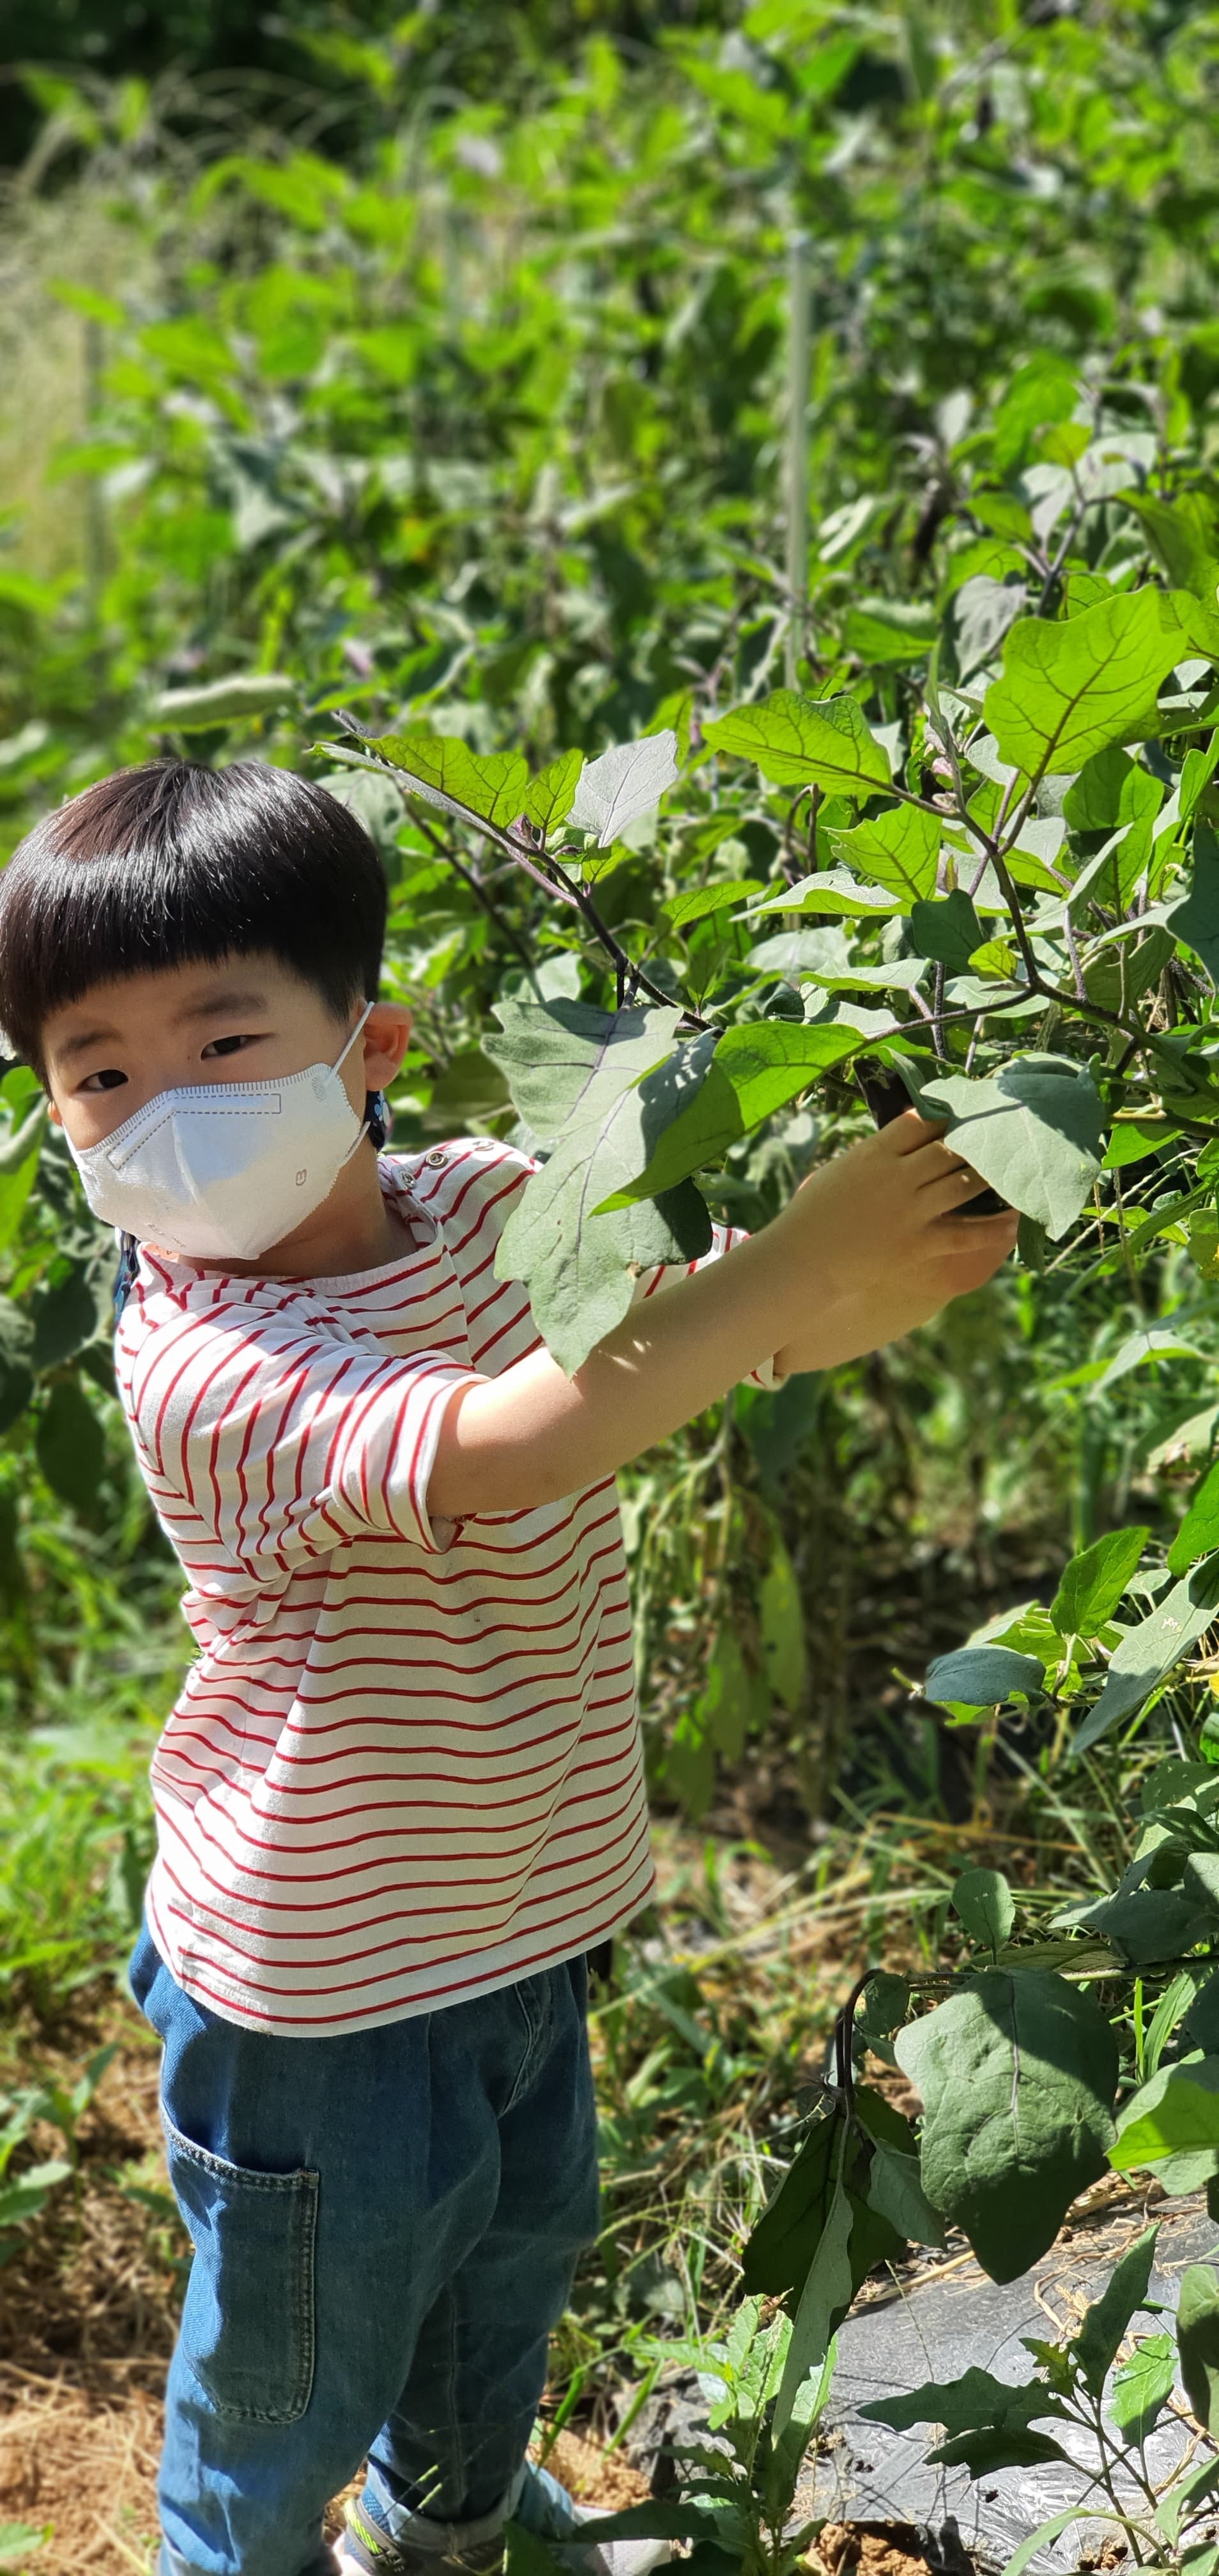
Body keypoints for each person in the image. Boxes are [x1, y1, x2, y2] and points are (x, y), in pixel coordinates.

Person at [0, 758, 1018, 2576]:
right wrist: (807, 1252)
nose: (167, 1111)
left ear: (370, 1046)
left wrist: (920, 1245)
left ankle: (452, 2535)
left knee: (504, 2273)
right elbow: (515, 1447)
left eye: (221, 1042)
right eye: (103, 1075)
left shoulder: (486, 1208)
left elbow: (735, 1322)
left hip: (522, 1911)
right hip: (321, 1990)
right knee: (293, 2370)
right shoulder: (202, 1362)